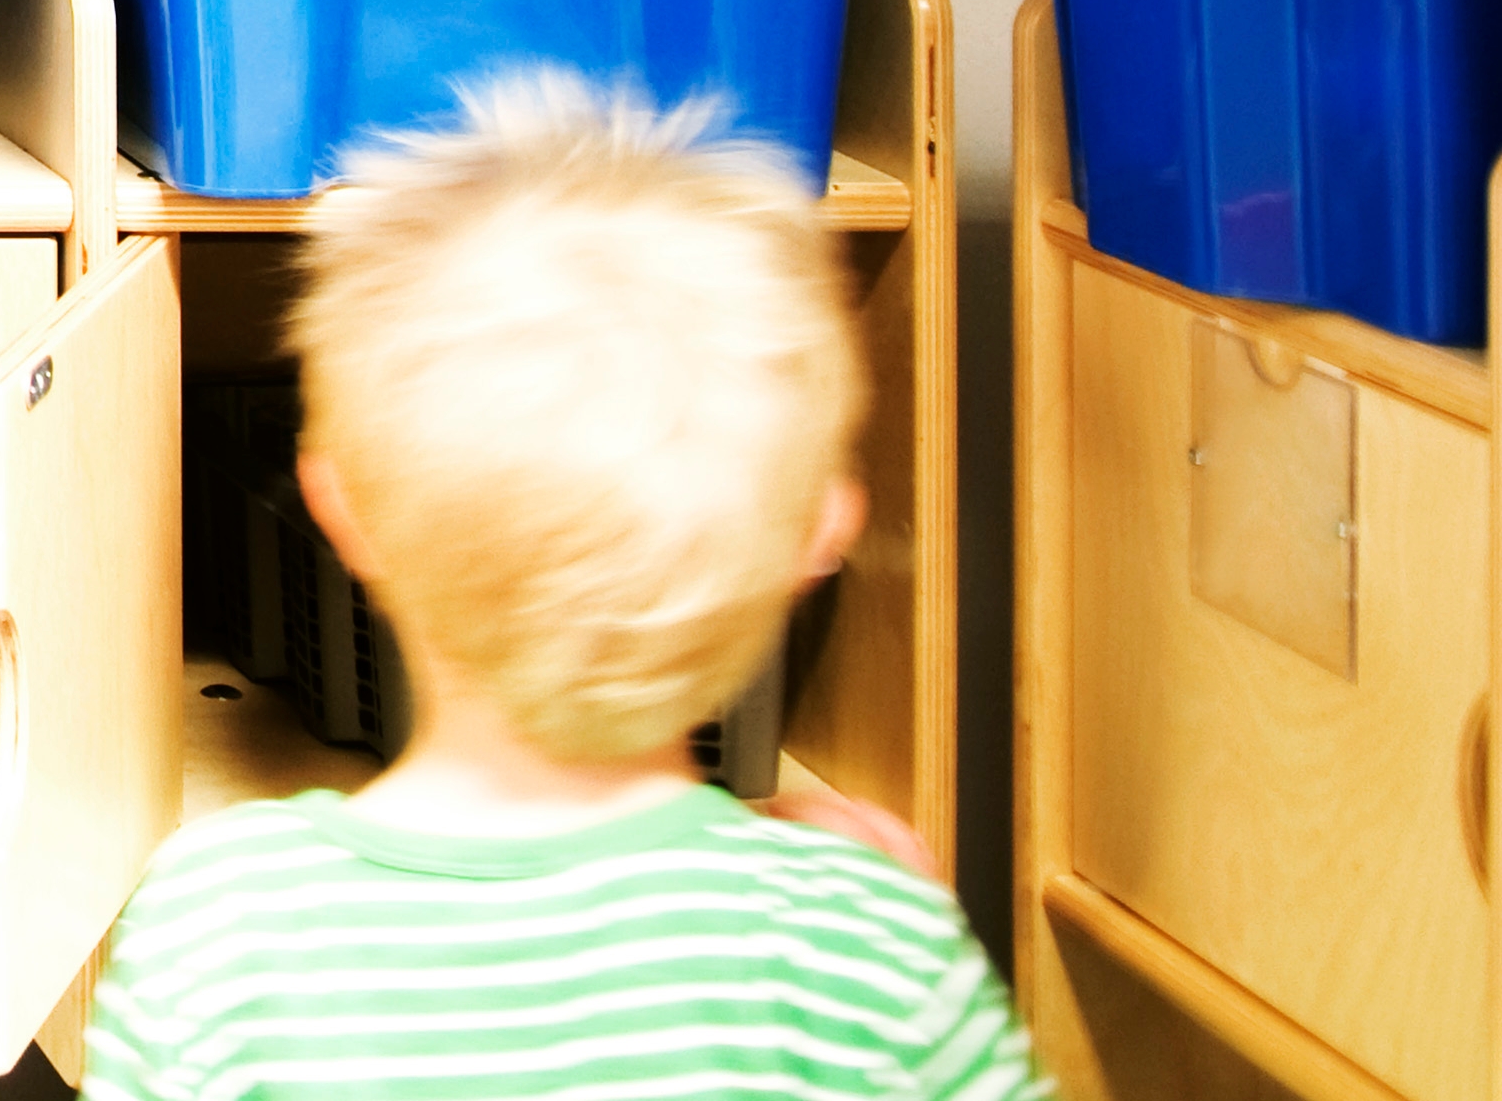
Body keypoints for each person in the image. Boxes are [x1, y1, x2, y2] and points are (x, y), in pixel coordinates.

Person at [81, 77, 1035, 1097]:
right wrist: (895, 928)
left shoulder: (217, 927)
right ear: (819, 534)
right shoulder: (858, 948)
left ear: (339, 509)